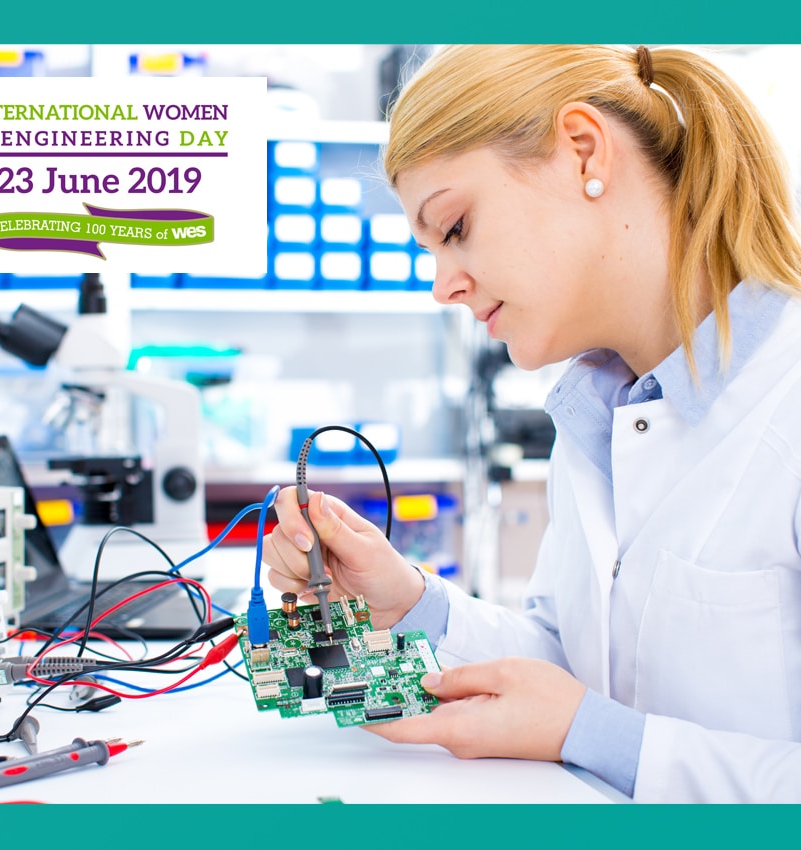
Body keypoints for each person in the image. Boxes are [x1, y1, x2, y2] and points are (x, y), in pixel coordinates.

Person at [261, 44, 801, 803]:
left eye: (453, 228)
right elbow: (574, 665)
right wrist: (410, 601)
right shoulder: (600, 410)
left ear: (583, 150)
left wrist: (595, 736)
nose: (443, 285)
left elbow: (585, 716)